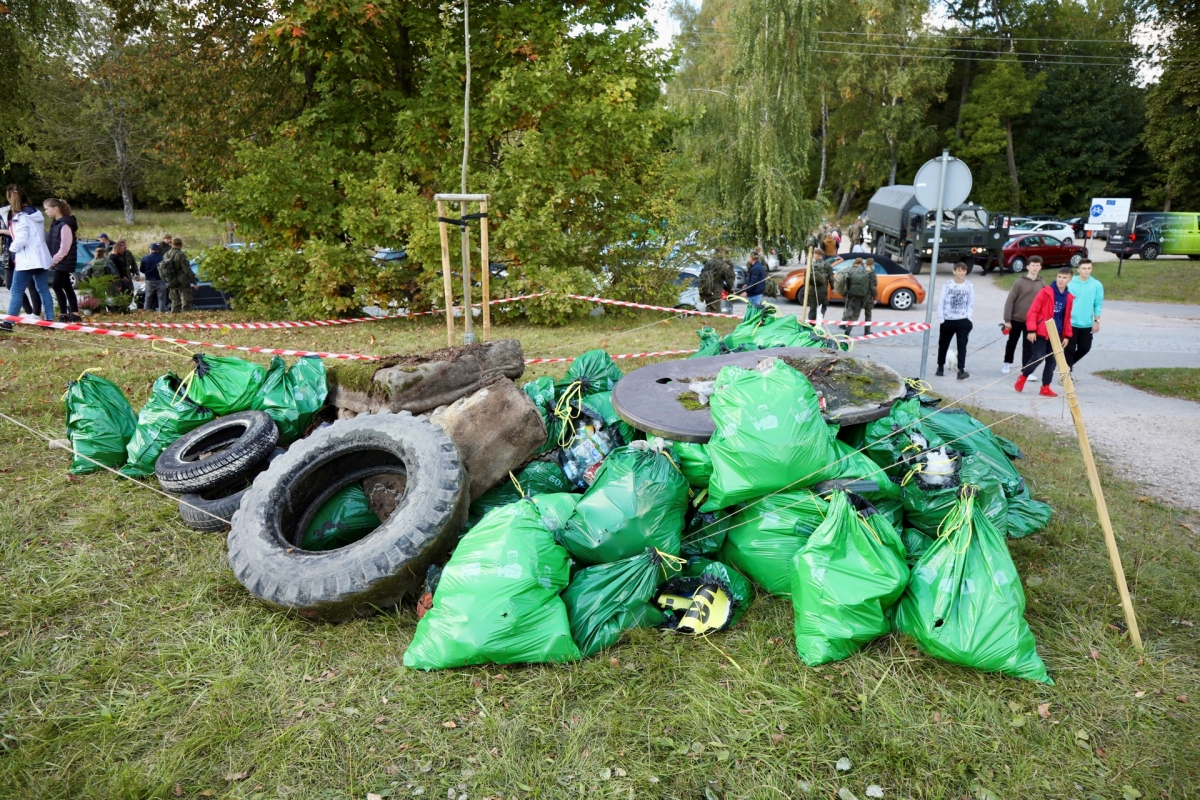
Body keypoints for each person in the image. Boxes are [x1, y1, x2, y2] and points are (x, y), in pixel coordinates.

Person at [2, 185, 56, 329]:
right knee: (43, 289)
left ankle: (9, 322)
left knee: (16, 290)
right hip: (41, 258)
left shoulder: (21, 217)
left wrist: (12, 250)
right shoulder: (36, 213)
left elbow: (21, 239)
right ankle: (49, 320)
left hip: (27, 260)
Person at [1016, 267, 1073, 397]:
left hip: (1056, 332)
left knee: (1052, 361)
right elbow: (1033, 311)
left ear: (1069, 279)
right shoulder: (1046, 291)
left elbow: (1067, 318)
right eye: (1059, 277)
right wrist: (1031, 330)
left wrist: (1067, 336)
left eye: (1064, 277)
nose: (1061, 280)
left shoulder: (1069, 297)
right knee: (1038, 357)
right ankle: (1023, 376)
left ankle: (1045, 387)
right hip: (1041, 331)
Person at [1001, 256, 1045, 374]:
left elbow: (1044, 303)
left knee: (1028, 345)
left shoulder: (1042, 283)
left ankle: (1026, 369)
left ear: (1040, 267)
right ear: (1028, 267)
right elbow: (1010, 301)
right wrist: (1007, 320)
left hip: (1031, 322)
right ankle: (1007, 363)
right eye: (1032, 265)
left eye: (1037, 265)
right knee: (1012, 342)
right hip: (1016, 319)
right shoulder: (1019, 282)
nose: (1035, 267)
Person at [43, 198, 81, 322]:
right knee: (66, 286)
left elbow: (64, 248)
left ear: (56, 209)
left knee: (56, 285)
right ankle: (74, 313)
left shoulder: (65, 225)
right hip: (59, 261)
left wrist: (53, 261)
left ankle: (64, 313)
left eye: (47, 209)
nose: (45, 212)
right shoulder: (55, 223)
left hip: (64, 260)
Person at [936, 262, 974, 379]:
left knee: (962, 345)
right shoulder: (947, 285)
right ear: (954, 271)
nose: (961, 273)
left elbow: (971, 303)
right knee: (943, 344)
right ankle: (940, 366)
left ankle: (961, 369)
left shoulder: (969, 286)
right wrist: (941, 318)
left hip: (963, 320)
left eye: (963, 270)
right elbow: (941, 301)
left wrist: (968, 318)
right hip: (948, 319)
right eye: (959, 270)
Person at [1066, 259, 1103, 370]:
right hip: (1071, 323)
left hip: (1086, 324)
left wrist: (1097, 321)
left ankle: (1067, 366)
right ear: (1078, 270)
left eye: (1089, 268)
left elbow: (1098, 304)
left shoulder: (1096, 285)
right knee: (1069, 349)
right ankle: (1067, 373)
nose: (1086, 271)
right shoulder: (1070, 283)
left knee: (1085, 348)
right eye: (1084, 268)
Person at [840, 257, 876, 336]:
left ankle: (849, 329)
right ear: (872, 264)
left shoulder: (861, 271)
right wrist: (875, 297)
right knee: (868, 314)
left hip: (859, 296)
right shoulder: (872, 274)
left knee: (855, 314)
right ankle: (867, 331)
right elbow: (873, 287)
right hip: (868, 297)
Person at [160, 236, 197, 313]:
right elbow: (187, 269)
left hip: (171, 280)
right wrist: (194, 282)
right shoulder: (180, 254)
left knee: (175, 301)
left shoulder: (166, 254)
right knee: (186, 300)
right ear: (180, 245)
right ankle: (186, 316)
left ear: (172, 244)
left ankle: (174, 317)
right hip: (182, 280)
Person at [803, 254, 833, 323]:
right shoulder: (827, 265)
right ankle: (818, 323)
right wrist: (833, 288)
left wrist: (806, 288)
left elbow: (805, 278)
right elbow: (831, 278)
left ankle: (811, 324)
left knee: (812, 308)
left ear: (816, 255)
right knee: (823, 306)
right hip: (822, 290)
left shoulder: (811, 265)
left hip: (811, 290)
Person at [140, 242, 168, 312]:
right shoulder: (162, 258)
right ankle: (161, 313)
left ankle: (146, 312)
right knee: (161, 299)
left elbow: (141, 269)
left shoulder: (145, 258)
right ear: (158, 250)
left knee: (148, 298)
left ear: (150, 249)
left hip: (149, 281)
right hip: (160, 280)